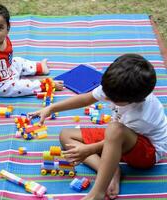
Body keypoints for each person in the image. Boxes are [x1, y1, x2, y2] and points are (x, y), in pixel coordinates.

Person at [28, 53, 167, 200]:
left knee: (114, 129)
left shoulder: (141, 115)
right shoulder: (114, 88)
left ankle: (97, 193)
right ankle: (110, 170)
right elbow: (86, 98)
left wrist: (90, 149)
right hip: (120, 136)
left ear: (133, 100)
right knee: (66, 135)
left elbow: (119, 139)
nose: (105, 97)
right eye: (106, 93)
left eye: (111, 98)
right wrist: (51, 108)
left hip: (148, 153)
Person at [0, 3, 63, 106]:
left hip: (9, 69)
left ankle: (39, 67)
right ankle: (45, 85)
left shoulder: (5, 39)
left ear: (8, 28)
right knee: (20, 87)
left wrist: (11, 69)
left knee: (18, 61)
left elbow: (9, 58)